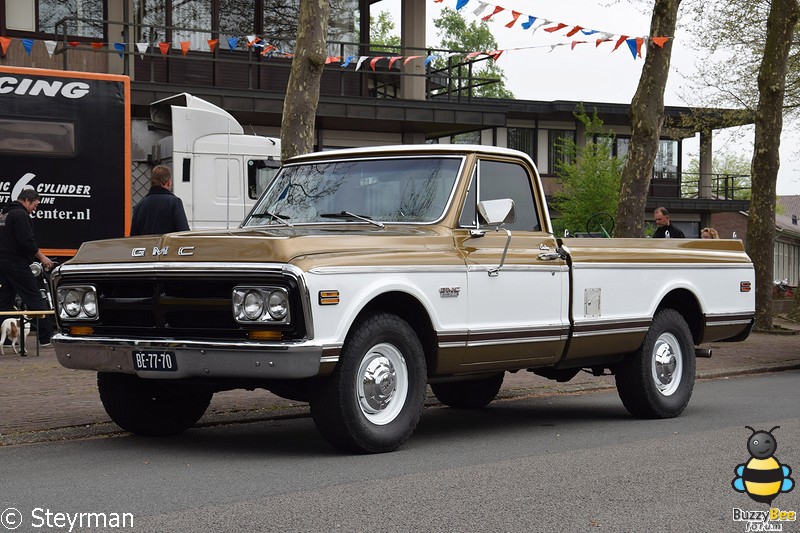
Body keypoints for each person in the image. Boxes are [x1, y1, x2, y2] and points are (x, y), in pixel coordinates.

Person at [0, 188, 54, 347]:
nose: (35, 209)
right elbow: (26, 242)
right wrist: (42, 257)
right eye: (35, 205)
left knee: (4, 301)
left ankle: (8, 338)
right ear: (27, 200)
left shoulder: (4, 214)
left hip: (2, 263)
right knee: (35, 297)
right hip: (17, 263)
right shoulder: (20, 215)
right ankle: (45, 338)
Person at [131, 165, 190, 236]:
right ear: (168, 182)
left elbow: (134, 237)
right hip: (167, 246)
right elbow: (184, 233)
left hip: (147, 246)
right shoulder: (174, 202)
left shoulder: (139, 206)